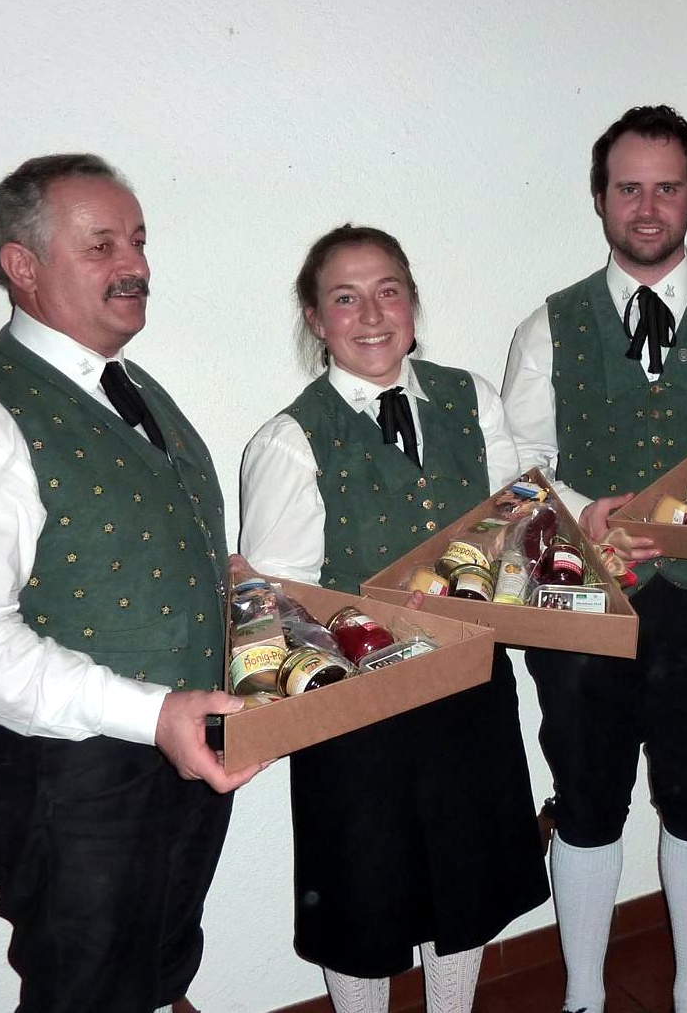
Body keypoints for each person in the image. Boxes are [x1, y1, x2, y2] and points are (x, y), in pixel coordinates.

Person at [0, 154, 268, 1013]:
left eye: (137, 240)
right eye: (101, 245)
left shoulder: (130, 389)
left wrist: (233, 586)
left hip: (175, 754)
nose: (134, 265)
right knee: (86, 995)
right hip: (71, 780)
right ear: (22, 266)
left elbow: (128, 554)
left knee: (157, 974)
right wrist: (153, 714)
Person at [501, 104, 687, 1013]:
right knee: (586, 798)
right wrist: (579, 510)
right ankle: (584, 995)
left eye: (666, 187)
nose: (647, 207)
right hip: (582, 600)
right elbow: (518, 467)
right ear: (600, 198)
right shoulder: (547, 327)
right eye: (628, 188)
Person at [238, 224, 550, 1013]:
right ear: (315, 318)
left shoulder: (471, 398)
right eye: (345, 298)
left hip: (468, 688)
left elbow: (512, 522)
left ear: (412, 300)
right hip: (355, 711)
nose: (372, 314)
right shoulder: (289, 440)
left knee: (465, 882)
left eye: (388, 291)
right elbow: (283, 606)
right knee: (361, 899)